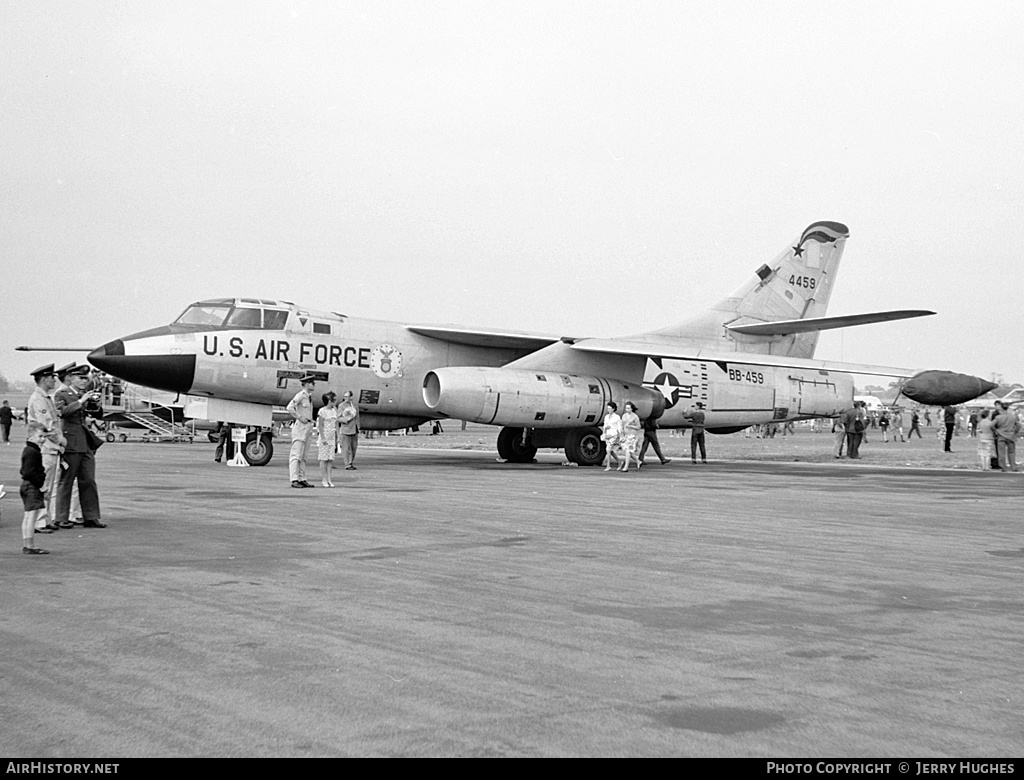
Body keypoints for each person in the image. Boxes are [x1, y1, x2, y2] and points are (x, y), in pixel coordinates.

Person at [53, 365, 105, 529]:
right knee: (66, 481)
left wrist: (95, 405)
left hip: (85, 443)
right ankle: (61, 518)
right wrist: (81, 401)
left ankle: (90, 516)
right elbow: (62, 412)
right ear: (71, 378)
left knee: (88, 480)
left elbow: (97, 414)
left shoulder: (84, 395)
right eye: (81, 378)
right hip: (70, 443)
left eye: (86, 378)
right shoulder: (61, 394)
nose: (84, 381)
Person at [25, 364, 66, 533]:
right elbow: (47, 426)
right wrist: (61, 441)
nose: (54, 380)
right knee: (44, 486)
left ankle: (44, 519)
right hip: (46, 447)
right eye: (51, 377)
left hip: (51, 448)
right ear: (43, 379)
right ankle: (39, 522)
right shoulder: (39, 399)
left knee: (48, 486)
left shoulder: (45, 397)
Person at [286, 374, 317, 488]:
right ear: (307, 384)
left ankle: (302, 478)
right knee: (296, 454)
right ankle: (294, 479)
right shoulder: (300, 395)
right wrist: (299, 417)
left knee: (304, 455)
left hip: (308, 426)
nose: (314, 385)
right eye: (312, 383)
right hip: (300, 427)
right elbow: (289, 407)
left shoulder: (309, 396)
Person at [19, 438, 49, 554]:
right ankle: (30, 545)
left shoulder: (27, 450)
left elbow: (25, 471)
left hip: (25, 485)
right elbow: (29, 472)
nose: (42, 439)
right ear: (31, 437)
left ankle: (27, 543)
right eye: (40, 436)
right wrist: (41, 485)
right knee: (32, 517)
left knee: (27, 516)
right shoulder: (33, 452)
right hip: (32, 486)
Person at [992, 401, 1021, 472]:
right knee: (1011, 452)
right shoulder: (1012, 416)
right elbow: (1019, 425)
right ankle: (1013, 467)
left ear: (1001, 407)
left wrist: (996, 431)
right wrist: (1015, 431)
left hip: (1001, 435)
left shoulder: (998, 417)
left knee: (1001, 452)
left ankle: (1003, 467)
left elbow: (991, 425)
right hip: (1011, 435)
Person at [317, 392, 339, 486]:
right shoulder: (322, 411)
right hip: (325, 435)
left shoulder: (334, 410)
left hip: (332, 436)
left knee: (330, 459)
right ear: (329, 400)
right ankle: (324, 479)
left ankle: (329, 478)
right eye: (333, 399)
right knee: (323, 459)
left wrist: (338, 436)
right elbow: (320, 425)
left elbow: (336, 423)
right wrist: (322, 438)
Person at [337, 390, 360, 470]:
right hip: (346, 429)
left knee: (354, 447)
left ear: (351, 397)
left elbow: (357, 416)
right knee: (346, 448)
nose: (346, 398)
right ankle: (348, 464)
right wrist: (345, 420)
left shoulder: (355, 404)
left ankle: (351, 461)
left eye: (347, 396)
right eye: (344, 397)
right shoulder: (341, 406)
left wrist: (358, 426)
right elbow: (338, 417)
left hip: (355, 428)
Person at [618, 401, 642, 472]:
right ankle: (638, 461)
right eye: (626, 408)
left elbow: (638, 427)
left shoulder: (635, 417)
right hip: (626, 435)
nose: (627, 409)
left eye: (628, 408)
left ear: (632, 409)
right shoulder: (624, 416)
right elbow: (622, 425)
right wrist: (621, 434)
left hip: (632, 435)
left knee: (628, 450)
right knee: (628, 451)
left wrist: (631, 426)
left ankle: (626, 467)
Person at [600, 402, 622, 472]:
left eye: (610, 408)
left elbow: (619, 428)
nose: (608, 410)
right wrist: (604, 431)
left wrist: (620, 436)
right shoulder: (606, 417)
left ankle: (608, 466)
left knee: (608, 449)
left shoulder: (617, 417)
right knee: (611, 451)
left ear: (613, 409)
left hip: (614, 434)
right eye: (608, 408)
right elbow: (604, 426)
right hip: (608, 434)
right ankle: (619, 462)